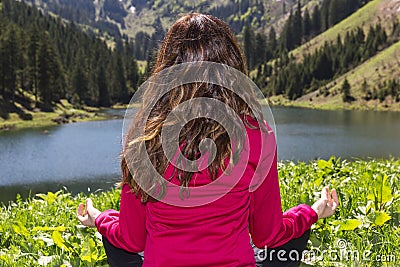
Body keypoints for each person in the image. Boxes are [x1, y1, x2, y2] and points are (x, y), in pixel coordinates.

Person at [77, 13, 339, 267]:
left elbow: (131, 240)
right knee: (291, 237)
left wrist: (100, 218)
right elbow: (267, 235)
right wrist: (312, 212)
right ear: (232, 68)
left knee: (118, 247)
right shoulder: (257, 133)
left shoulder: (146, 136)